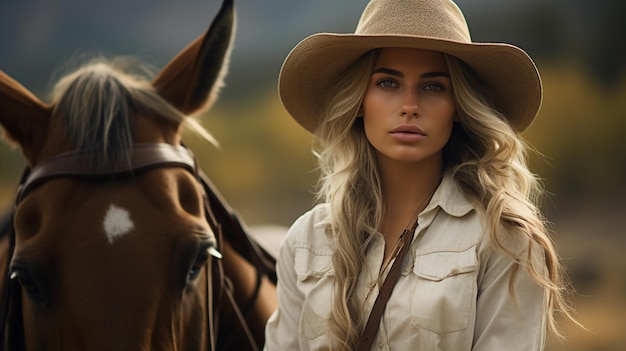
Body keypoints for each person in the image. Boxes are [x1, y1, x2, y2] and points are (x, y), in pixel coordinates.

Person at [264, 0, 578, 350]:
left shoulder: (504, 239)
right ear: (358, 100)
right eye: (387, 83)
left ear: (459, 105)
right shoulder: (306, 241)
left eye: (433, 87)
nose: (409, 105)